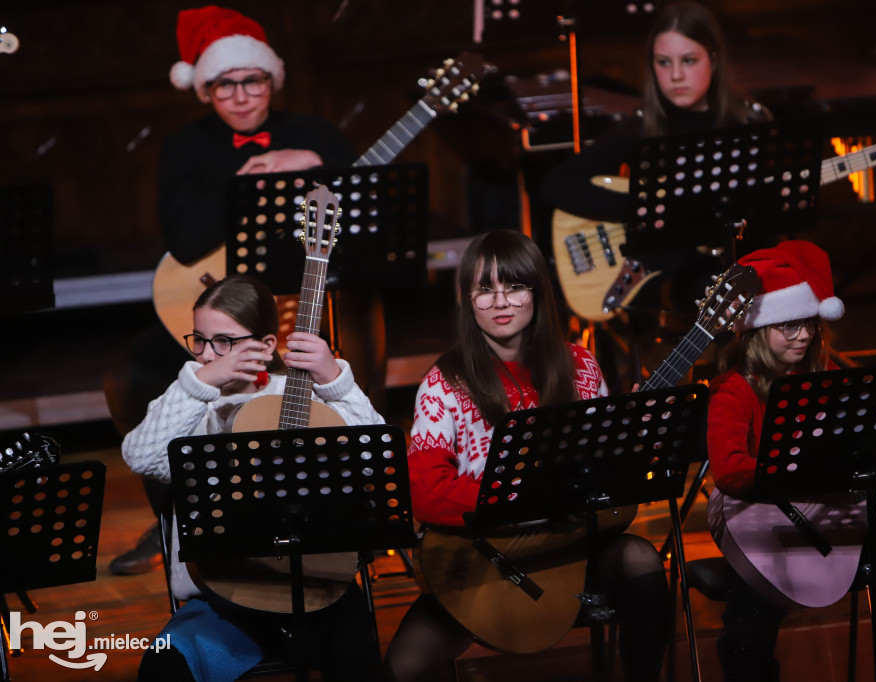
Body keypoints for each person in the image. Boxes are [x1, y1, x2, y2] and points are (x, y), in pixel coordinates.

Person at [105, 4, 386, 574]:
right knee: (129, 373)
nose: (239, 95)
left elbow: (366, 226)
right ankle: (174, 519)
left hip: (312, 294)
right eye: (223, 84)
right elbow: (184, 241)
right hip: (228, 309)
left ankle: (363, 508)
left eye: (250, 79)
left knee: (357, 342)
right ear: (204, 89)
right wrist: (250, 177)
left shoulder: (317, 135)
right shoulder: (187, 147)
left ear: (271, 79)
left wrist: (316, 163)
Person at [382, 230, 671, 682]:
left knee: (642, 560)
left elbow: (611, 474)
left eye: (514, 286)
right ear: (467, 300)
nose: (500, 302)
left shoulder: (581, 365)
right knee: (403, 667)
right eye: (484, 289)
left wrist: (640, 439)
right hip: (488, 558)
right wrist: (516, 502)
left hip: (570, 551)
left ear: (538, 292)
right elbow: (425, 488)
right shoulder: (444, 383)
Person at [705, 240, 876, 682]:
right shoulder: (734, 389)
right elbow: (728, 469)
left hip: (835, 527)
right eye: (788, 326)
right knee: (747, 623)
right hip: (771, 536)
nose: (803, 335)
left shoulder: (828, 380)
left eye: (809, 325)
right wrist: (795, 473)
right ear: (757, 331)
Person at [123, 274, 384, 681]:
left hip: (317, 589)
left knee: (358, 657)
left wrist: (335, 380)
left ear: (265, 345)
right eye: (200, 340)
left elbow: (374, 458)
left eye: (224, 341)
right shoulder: (190, 399)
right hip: (222, 599)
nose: (209, 355)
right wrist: (199, 386)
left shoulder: (299, 394)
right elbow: (142, 457)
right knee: (164, 667)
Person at [542, 1, 771, 389]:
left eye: (689, 60)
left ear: (713, 59)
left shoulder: (749, 123)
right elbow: (557, 184)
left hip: (737, 266)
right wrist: (639, 209)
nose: (676, 75)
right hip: (671, 278)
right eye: (663, 63)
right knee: (713, 297)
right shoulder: (642, 129)